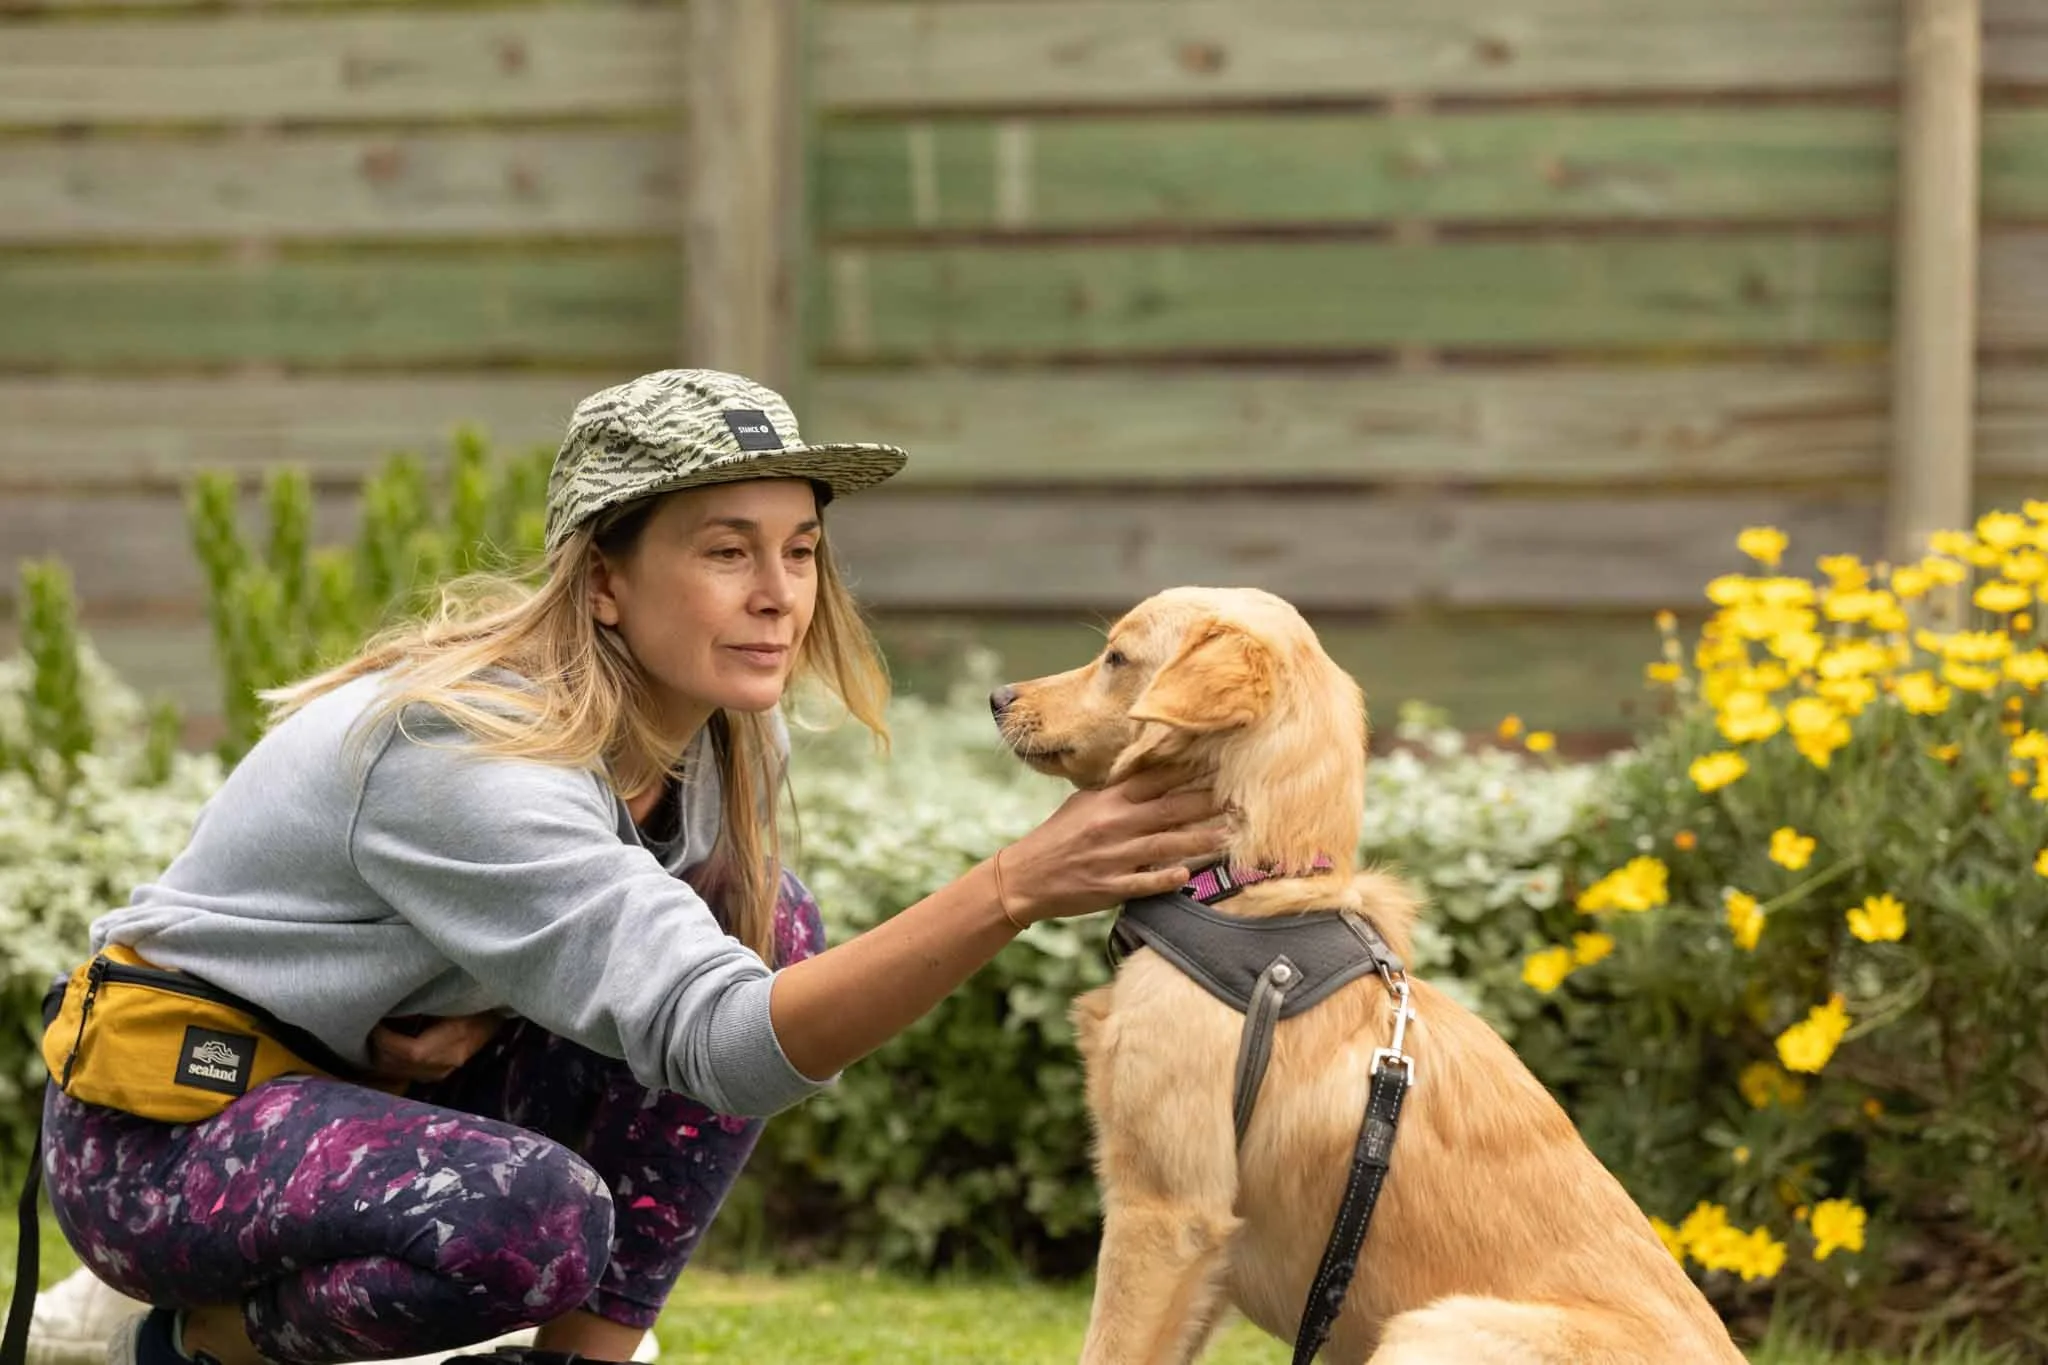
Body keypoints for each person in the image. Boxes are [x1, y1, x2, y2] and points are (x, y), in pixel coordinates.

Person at [40, 370, 1225, 1365]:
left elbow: (689, 977)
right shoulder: (460, 753)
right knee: (535, 1221)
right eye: (727, 551)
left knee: (767, 921)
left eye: (800, 551)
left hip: (374, 1090)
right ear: (603, 580)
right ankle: (184, 1338)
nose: (779, 597)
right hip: (170, 1132)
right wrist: (1012, 887)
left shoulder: (717, 726)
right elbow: (726, 1043)